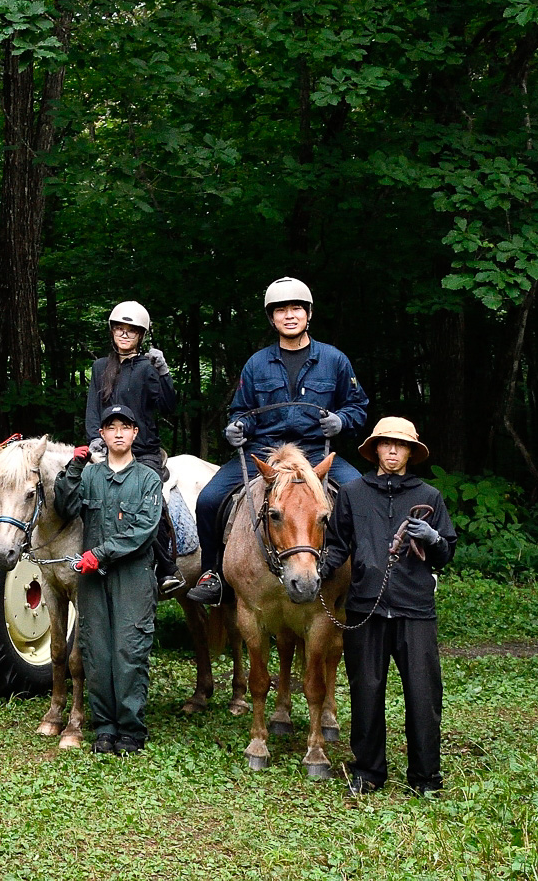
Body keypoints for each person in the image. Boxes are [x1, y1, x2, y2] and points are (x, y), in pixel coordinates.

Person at [187, 278, 368, 604]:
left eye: (295, 308)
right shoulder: (257, 363)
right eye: (280, 310)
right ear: (272, 319)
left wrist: (340, 421)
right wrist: (236, 427)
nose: (289, 315)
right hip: (265, 450)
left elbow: (357, 407)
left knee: (361, 497)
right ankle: (212, 573)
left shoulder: (334, 360)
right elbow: (241, 410)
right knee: (209, 499)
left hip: (315, 451)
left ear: (308, 313)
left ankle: (366, 575)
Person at [322, 416, 457, 797]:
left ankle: (426, 778)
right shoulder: (352, 493)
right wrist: (320, 570)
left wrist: (432, 538)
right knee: (365, 690)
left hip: (415, 609)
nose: (393, 451)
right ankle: (367, 772)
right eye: (386, 443)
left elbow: (446, 553)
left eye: (401, 445)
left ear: (411, 452)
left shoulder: (429, 496)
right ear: (376, 449)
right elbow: (336, 545)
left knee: (423, 694)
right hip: (366, 606)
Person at [55, 405, 165, 754]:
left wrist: (99, 554)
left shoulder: (147, 479)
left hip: (132, 576)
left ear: (135, 434)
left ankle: (131, 730)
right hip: (93, 581)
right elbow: (65, 506)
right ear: (101, 435)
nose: (118, 433)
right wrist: (73, 467)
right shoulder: (90, 476)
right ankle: (104, 727)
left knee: (129, 651)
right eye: (110, 427)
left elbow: (143, 530)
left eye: (125, 427)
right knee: (96, 652)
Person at [83, 300, 179, 592]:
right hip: (106, 449)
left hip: (143, 452)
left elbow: (168, 406)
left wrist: (164, 374)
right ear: (112, 332)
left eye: (131, 331)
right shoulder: (100, 368)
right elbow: (91, 410)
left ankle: (167, 569)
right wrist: (95, 439)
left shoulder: (147, 368)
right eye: (119, 330)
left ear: (141, 335)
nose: (124, 335)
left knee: (153, 501)